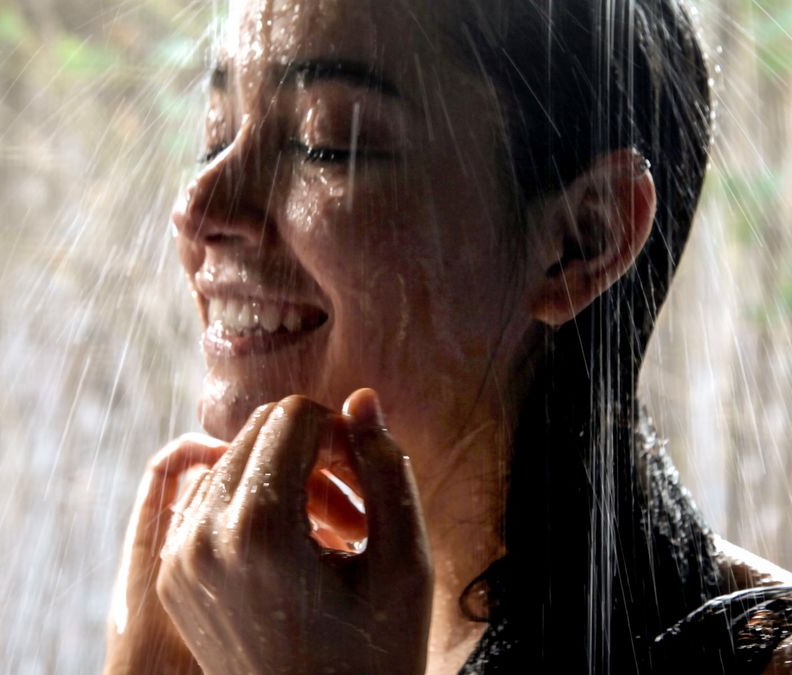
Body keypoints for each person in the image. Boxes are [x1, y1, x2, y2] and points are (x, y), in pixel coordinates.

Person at [103, 0, 792, 672]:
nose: (197, 209)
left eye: (326, 144)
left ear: (584, 239)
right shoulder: (243, 615)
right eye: (215, 138)